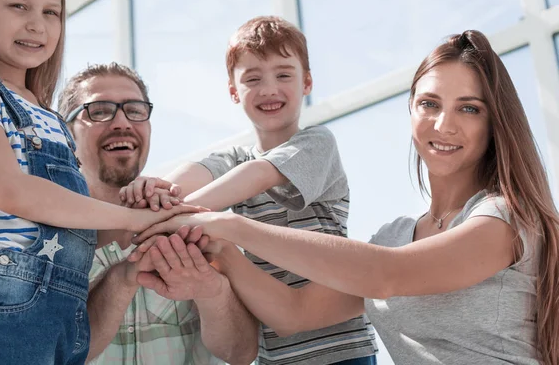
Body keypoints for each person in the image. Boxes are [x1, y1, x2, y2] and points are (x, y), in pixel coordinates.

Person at [134, 30, 559, 365]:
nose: (444, 124)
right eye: (429, 103)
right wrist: (224, 252)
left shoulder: (504, 218)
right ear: (411, 111)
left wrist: (229, 223)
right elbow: (294, 314)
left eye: (469, 108)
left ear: (494, 120)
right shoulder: (394, 236)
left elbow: (386, 276)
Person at [0, 0, 195, 364]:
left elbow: (69, 227)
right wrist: (130, 219)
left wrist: (150, 216)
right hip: (1, 302)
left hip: (61, 310)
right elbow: (13, 192)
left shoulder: (50, 118)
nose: (36, 25)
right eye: (19, 6)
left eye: (51, 12)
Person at [125, 16, 378, 365]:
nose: (269, 89)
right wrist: (159, 189)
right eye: (253, 78)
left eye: (284, 75)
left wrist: (168, 218)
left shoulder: (317, 143)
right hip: (274, 355)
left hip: (340, 350)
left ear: (307, 82)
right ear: (234, 91)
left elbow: (260, 174)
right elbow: (188, 178)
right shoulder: (232, 159)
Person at [57, 62, 258, 364]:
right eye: (99, 110)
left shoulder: (194, 226)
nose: (122, 122)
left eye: (135, 110)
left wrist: (212, 292)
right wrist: (121, 279)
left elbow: (240, 353)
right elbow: (54, 355)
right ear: (66, 133)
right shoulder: (45, 246)